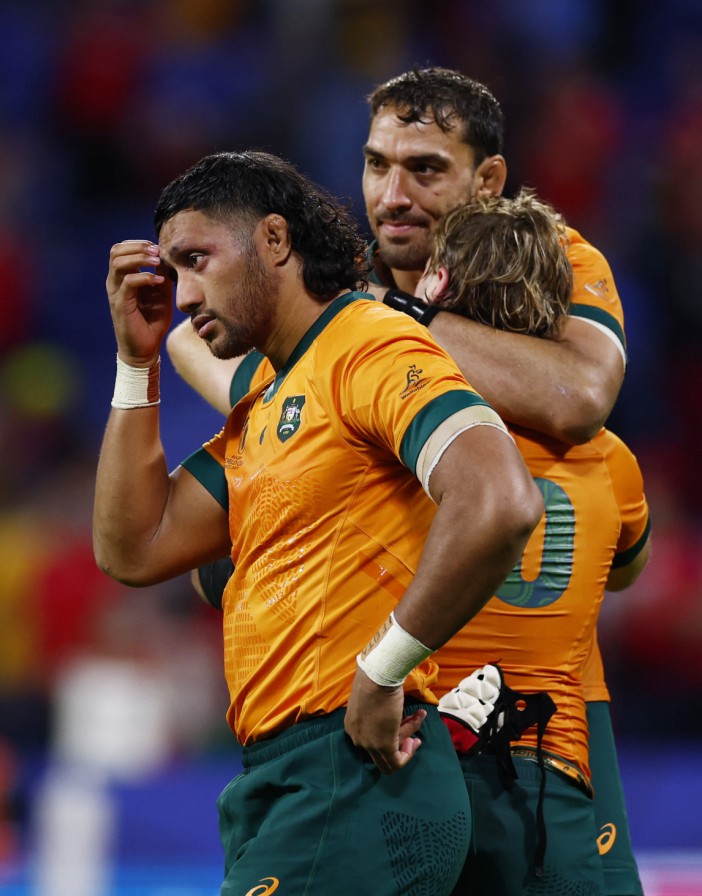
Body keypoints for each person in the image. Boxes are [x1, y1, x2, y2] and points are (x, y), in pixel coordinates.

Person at [166, 68, 640, 895]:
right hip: (404, 727)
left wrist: (396, 328)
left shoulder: (546, 255)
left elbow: (580, 397)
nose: (392, 193)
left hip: (527, 733)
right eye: (376, 164)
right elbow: (193, 344)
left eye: (424, 168)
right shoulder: (344, 306)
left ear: (487, 180)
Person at [93, 150, 543, 895]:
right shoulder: (267, 399)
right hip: (286, 784)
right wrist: (135, 365)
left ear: (275, 240)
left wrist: (383, 667)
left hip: (355, 773)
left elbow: (500, 499)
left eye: (199, 260)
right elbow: (132, 548)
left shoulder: (366, 344)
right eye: (176, 272)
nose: (186, 295)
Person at [413, 190, 650, 894]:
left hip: (414, 768)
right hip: (546, 791)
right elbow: (627, 569)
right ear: (554, 313)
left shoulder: (401, 439)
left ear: (440, 288)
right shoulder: (612, 461)